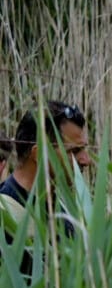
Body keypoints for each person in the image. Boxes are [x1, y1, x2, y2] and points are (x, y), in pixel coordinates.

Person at [0, 101, 94, 247]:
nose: (87, 160)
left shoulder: (62, 207)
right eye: (74, 151)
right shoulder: (5, 215)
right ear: (39, 154)